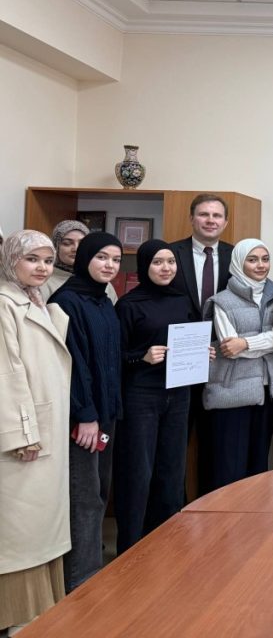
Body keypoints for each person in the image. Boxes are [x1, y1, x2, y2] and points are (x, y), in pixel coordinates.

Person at [0, 231, 72, 634]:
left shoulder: (37, 300)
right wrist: (22, 433)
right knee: (22, 530)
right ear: (11, 260)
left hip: (46, 430)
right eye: (32, 259)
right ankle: (18, 616)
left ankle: (43, 610)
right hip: (25, 435)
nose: (42, 268)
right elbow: (6, 374)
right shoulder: (4, 303)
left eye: (47, 260)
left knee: (41, 528)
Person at [47, 232, 123, 592]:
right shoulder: (66, 301)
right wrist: (86, 415)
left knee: (99, 492)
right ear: (85, 259)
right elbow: (73, 363)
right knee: (84, 497)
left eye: (116, 259)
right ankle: (81, 581)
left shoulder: (103, 300)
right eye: (102, 257)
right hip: (83, 419)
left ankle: (90, 569)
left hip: (105, 414)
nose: (110, 265)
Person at [113, 240, 197, 554]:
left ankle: (166, 543)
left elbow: (189, 338)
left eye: (171, 262)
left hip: (179, 394)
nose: (166, 268)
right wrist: (142, 357)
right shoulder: (129, 305)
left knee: (172, 471)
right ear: (144, 266)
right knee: (138, 471)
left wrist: (202, 352)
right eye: (158, 262)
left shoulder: (182, 300)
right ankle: (131, 548)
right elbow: (117, 356)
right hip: (141, 396)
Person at [201, 239, 273, 490]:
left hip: (268, 390)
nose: (261, 265)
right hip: (232, 393)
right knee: (229, 468)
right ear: (238, 262)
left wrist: (246, 343)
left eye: (265, 259)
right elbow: (229, 348)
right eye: (252, 259)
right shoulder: (222, 301)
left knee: (258, 467)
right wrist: (270, 340)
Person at [169, 194, 233, 496]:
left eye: (217, 215)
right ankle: (175, 506)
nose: (210, 220)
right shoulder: (171, 254)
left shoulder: (236, 256)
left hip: (222, 360)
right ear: (192, 218)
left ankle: (212, 503)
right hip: (178, 361)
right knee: (175, 441)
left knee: (217, 442)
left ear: (225, 222)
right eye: (204, 214)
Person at [40, 219, 117, 303]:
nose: (76, 249)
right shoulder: (42, 281)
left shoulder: (102, 282)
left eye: (82, 243)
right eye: (67, 243)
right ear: (56, 247)